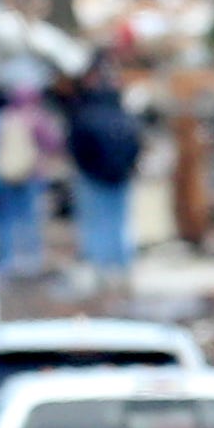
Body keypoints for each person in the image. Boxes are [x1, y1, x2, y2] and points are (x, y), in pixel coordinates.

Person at [62, 62, 143, 288]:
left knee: (95, 224)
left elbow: (76, 146)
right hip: (119, 178)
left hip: (93, 178)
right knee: (119, 223)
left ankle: (100, 269)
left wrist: (88, 169)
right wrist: (127, 167)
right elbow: (136, 143)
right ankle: (121, 267)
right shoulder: (123, 115)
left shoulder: (86, 114)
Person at [0, 73, 49, 278]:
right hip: (31, 174)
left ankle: (8, 260)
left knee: (7, 219)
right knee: (30, 218)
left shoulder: (2, 117)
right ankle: (31, 260)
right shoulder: (36, 117)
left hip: (5, 175)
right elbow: (53, 142)